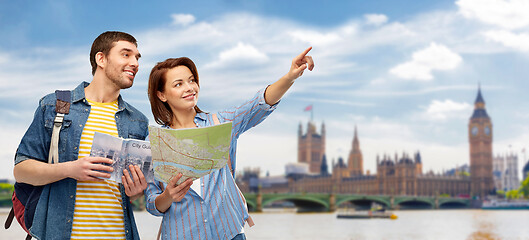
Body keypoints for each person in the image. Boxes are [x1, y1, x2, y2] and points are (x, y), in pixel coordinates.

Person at [145, 47, 314, 240]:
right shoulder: (154, 144)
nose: (189, 87)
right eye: (178, 84)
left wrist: (290, 76)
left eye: (192, 80)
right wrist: (168, 195)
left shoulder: (222, 123)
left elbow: (258, 104)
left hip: (229, 233)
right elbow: (152, 204)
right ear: (161, 95)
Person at [13, 31, 149, 240]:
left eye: (137, 57)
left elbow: (131, 194)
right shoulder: (55, 105)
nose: (135, 63)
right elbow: (21, 171)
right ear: (101, 59)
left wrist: (137, 190)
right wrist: (70, 169)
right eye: (126, 54)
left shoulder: (138, 121)